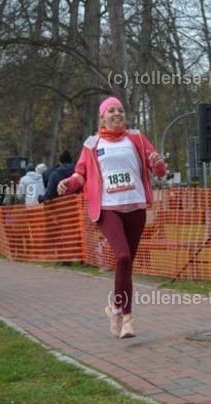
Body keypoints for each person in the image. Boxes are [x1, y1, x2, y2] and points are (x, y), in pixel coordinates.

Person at [57, 96, 167, 339]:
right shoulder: (92, 144)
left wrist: (158, 164)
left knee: (126, 265)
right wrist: (69, 184)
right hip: (108, 208)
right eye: (111, 111)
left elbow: (158, 169)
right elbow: (81, 175)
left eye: (120, 110)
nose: (117, 114)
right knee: (123, 256)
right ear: (102, 118)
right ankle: (127, 319)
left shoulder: (136, 138)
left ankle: (115, 307)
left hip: (136, 206)